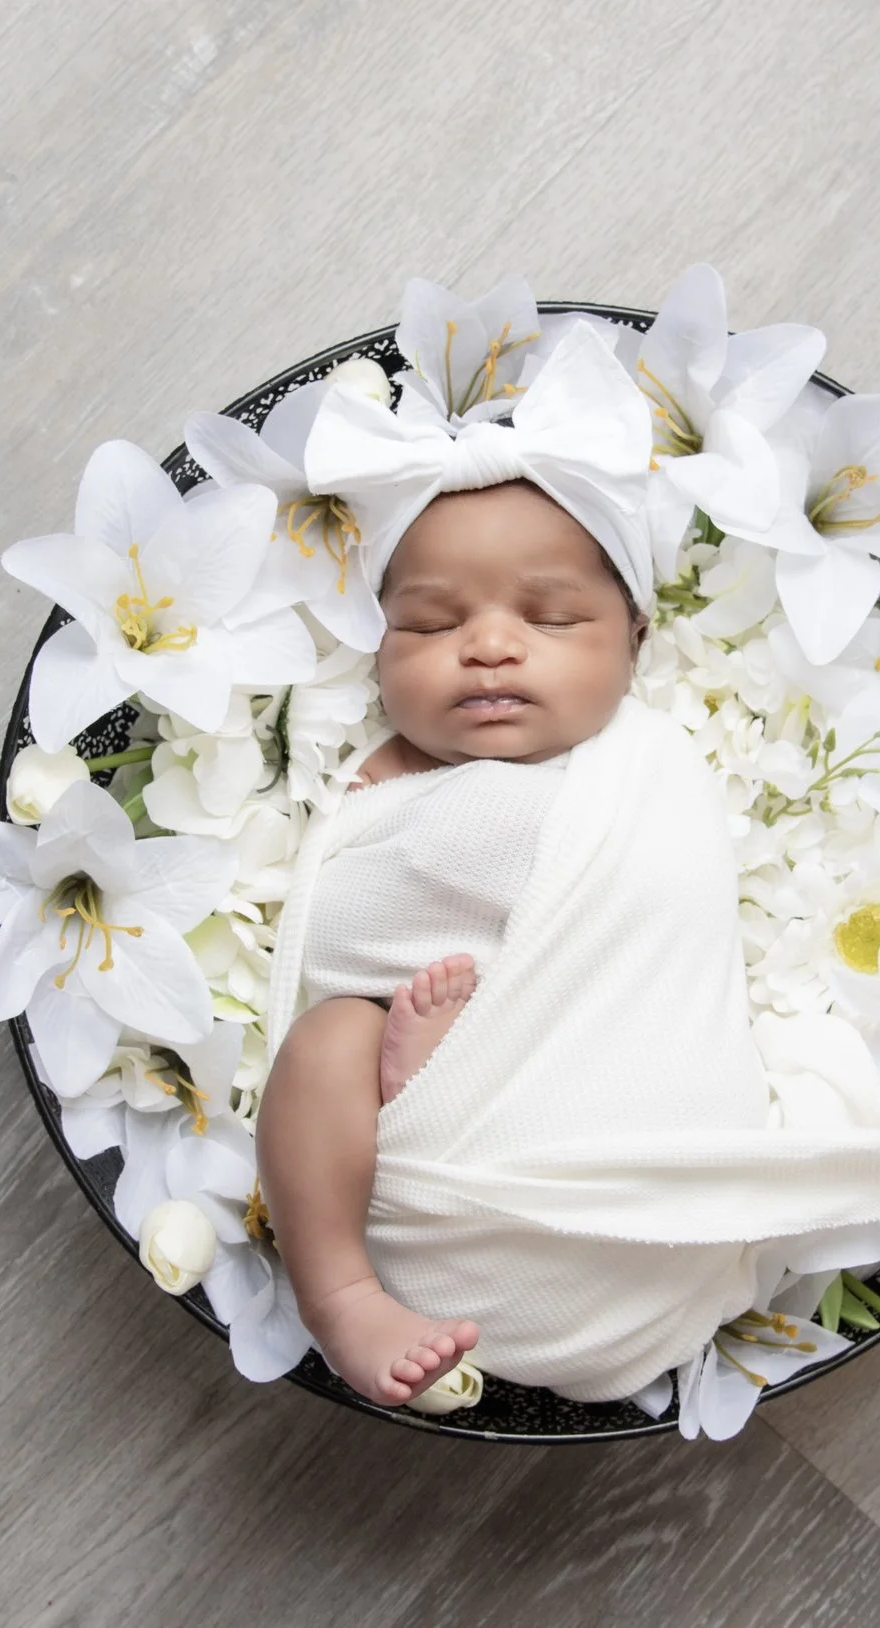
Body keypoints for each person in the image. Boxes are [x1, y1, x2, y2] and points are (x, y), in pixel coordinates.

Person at [252, 478, 647, 1406]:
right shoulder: (380, 785)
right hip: (385, 1069)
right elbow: (349, 919)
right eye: (429, 627)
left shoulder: (643, 776)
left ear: (634, 644)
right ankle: (342, 1292)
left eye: (551, 618)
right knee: (331, 1037)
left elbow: (669, 934)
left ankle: (465, 1068)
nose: (491, 645)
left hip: (582, 1062)